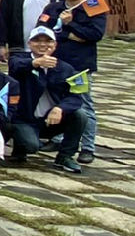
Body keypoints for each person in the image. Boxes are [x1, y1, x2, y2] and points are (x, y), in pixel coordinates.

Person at [9, 25, 90, 173]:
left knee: (80, 115)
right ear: (29, 44)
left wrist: (60, 108)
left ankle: (65, 156)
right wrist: (35, 63)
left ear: (55, 45)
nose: (42, 45)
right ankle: (20, 148)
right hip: (24, 119)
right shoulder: (19, 60)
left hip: (50, 120)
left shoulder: (66, 68)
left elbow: (76, 96)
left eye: (48, 41)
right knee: (31, 146)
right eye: (37, 41)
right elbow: (15, 67)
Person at [51, 0, 108, 163]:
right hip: (56, 63)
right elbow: (45, 31)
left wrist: (71, 24)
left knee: (83, 104)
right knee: (57, 101)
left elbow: (94, 34)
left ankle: (88, 147)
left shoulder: (93, 7)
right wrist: (71, 35)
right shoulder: (54, 7)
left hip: (79, 66)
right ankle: (58, 138)